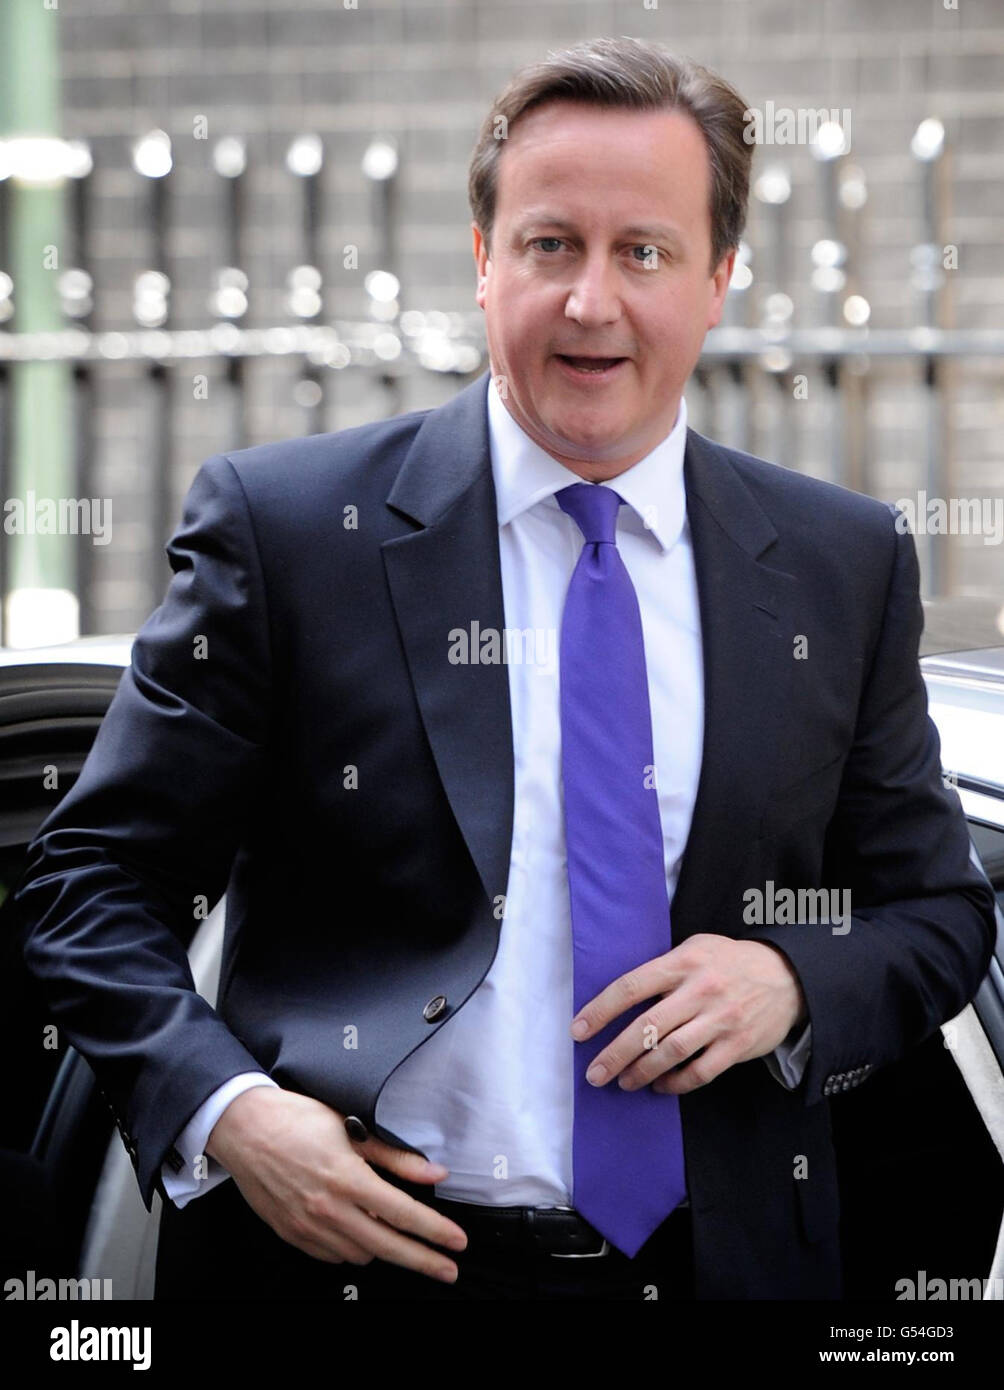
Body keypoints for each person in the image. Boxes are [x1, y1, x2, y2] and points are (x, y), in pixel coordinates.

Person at [14, 36, 997, 1302]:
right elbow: (91, 879)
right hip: (358, 1279)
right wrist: (232, 1112)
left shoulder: (836, 561)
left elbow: (939, 913)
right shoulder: (295, 532)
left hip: (724, 1276)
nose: (591, 301)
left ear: (718, 280)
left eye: (642, 251)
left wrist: (790, 976)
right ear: (483, 263)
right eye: (548, 245)